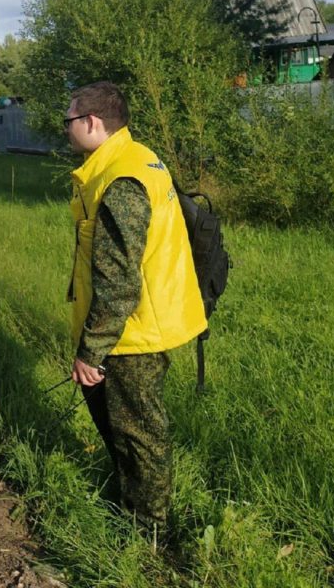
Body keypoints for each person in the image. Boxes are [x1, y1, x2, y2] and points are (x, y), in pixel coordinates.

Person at [64, 81, 206, 538]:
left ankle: (149, 532)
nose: (65, 129)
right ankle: (137, 503)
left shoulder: (120, 179)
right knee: (134, 431)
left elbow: (119, 280)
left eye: (69, 121)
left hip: (132, 334)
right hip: (142, 322)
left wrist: (92, 351)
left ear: (91, 123)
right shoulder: (139, 157)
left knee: (138, 435)